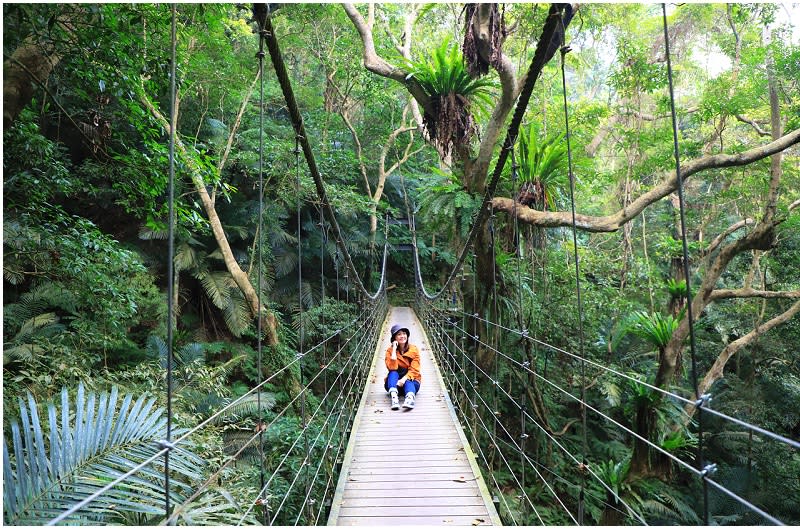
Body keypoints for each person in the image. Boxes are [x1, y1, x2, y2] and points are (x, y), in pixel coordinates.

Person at [384, 324, 421, 410]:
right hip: (394, 384)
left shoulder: (414, 350)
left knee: (409, 380)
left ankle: (410, 399)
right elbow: (392, 368)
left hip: (411, 382)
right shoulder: (389, 351)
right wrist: (393, 350)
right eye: (399, 334)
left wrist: (403, 380)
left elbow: (415, 370)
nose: (402, 336)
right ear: (394, 338)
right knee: (393, 372)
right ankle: (394, 398)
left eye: (404, 333)